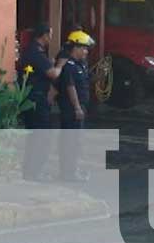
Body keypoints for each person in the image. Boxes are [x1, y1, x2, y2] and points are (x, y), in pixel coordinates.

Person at [18, 23, 67, 181]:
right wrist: (60, 64)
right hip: (36, 100)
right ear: (44, 35)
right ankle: (34, 173)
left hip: (36, 97)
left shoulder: (35, 51)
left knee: (35, 137)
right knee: (41, 137)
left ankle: (31, 172)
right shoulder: (35, 52)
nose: (51, 38)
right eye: (50, 34)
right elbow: (53, 73)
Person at [57, 30, 96, 182]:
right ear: (76, 48)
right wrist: (77, 107)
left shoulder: (81, 64)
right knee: (70, 142)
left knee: (76, 142)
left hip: (80, 107)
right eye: (84, 48)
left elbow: (86, 81)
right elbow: (70, 87)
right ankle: (68, 174)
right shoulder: (69, 65)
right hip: (71, 109)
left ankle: (72, 171)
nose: (86, 51)